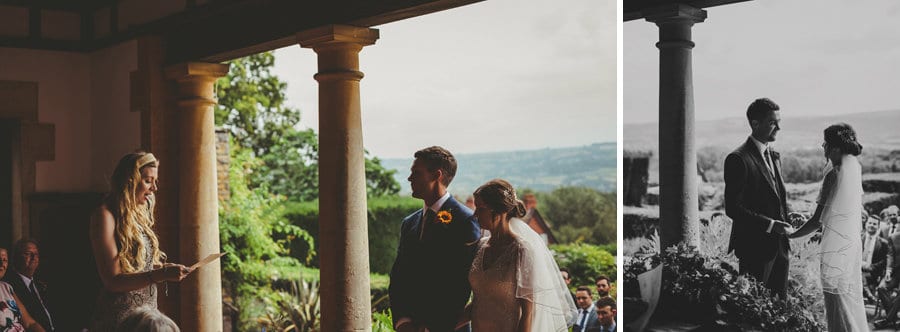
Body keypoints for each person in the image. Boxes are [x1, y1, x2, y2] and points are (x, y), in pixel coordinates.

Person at [89, 152, 193, 330]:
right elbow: (112, 280)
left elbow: (138, 266)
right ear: (129, 180)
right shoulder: (105, 216)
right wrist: (162, 275)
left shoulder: (137, 215)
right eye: (148, 180)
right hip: (120, 319)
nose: (154, 188)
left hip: (146, 315)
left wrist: (164, 268)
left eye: (155, 181)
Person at [462, 179, 576, 331]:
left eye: (481, 209)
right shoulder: (480, 247)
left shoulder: (522, 250)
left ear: (501, 211)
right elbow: (478, 303)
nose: (475, 214)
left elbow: (528, 314)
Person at [389, 146, 481, 332]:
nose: (409, 178)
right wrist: (403, 322)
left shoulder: (465, 221)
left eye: (416, 173)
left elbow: (460, 284)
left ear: (436, 175)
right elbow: (399, 276)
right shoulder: (409, 223)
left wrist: (431, 327)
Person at [790, 123, 867, 331]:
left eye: (825, 144)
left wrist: (791, 235)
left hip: (834, 249)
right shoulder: (854, 171)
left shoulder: (833, 175)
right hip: (850, 247)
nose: (823, 148)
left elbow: (817, 221)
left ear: (834, 148)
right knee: (848, 301)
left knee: (836, 303)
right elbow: (840, 213)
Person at [724, 97, 794, 298]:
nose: (779, 128)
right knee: (754, 310)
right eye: (773, 122)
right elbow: (733, 208)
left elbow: (775, 197)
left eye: (779, 122)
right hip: (754, 249)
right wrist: (771, 224)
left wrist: (787, 214)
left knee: (780, 309)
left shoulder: (774, 155)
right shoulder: (738, 159)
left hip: (780, 247)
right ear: (755, 124)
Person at [2, 239, 54, 331]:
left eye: (36, 254)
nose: (34, 257)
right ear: (16, 257)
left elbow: (31, 323)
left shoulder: (41, 285)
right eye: (28, 253)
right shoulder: (11, 283)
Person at [860, 214, 891, 302]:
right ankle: (870, 296)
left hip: (872, 274)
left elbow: (884, 261)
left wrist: (871, 267)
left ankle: (868, 296)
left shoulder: (883, 243)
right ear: (866, 224)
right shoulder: (858, 238)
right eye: (870, 223)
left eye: (874, 224)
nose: (871, 225)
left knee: (859, 276)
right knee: (858, 274)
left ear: (878, 227)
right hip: (856, 269)